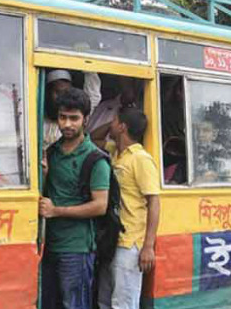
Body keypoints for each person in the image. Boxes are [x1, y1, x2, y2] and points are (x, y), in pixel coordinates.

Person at [39, 88, 110, 309]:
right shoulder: (51, 153)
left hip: (77, 249)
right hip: (48, 245)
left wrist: (56, 211)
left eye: (74, 118)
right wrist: (43, 176)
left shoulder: (95, 159)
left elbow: (100, 206)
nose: (67, 124)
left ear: (86, 119)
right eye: (62, 117)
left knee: (74, 305)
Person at [98, 107, 160, 309]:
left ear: (123, 126)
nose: (111, 123)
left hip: (130, 241)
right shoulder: (115, 151)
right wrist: (113, 126)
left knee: (123, 303)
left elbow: (154, 202)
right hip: (112, 238)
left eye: (114, 120)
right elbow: (91, 137)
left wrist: (148, 246)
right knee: (104, 300)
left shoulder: (141, 159)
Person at [43, 69, 101, 148]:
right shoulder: (35, 116)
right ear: (48, 93)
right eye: (58, 92)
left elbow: (94, 96)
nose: (62, 97)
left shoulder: (77, 112)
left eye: (66, 92)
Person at [88, 77, 139, 148]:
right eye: (127, 79)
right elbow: (90, 140)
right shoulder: (104, 106)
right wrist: (114, 123)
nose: (130, 84)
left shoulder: (144, 112)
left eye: (133, 80)